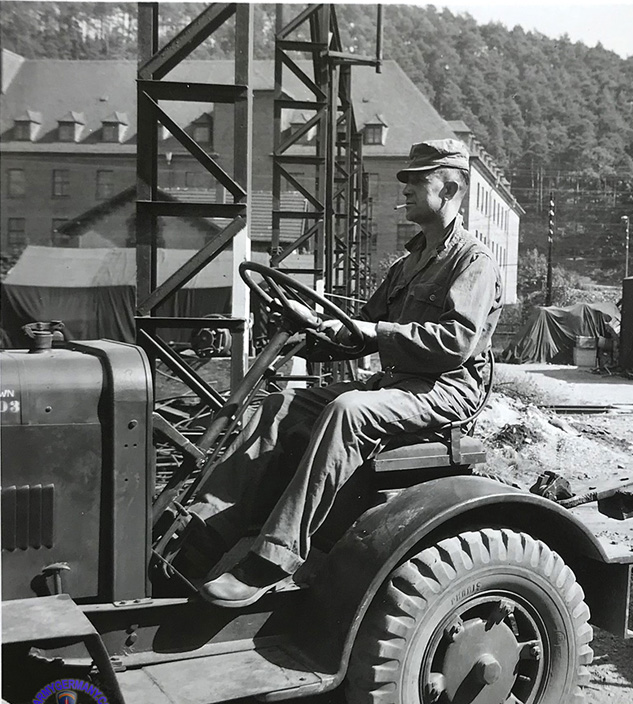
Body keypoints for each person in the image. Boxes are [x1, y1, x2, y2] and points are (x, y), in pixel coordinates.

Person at [186, 139, 503, 608]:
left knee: (346, 411)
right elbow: (358, 331)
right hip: (398, 384)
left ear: (451, 186)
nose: (409, 189)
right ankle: (207, 530)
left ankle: (274, 559)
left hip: (446, 388)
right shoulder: (406, 265)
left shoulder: (472, 262)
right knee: (277, 408)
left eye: (420, 180)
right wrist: (308, 325)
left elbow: (454, 344)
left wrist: (376, 332)